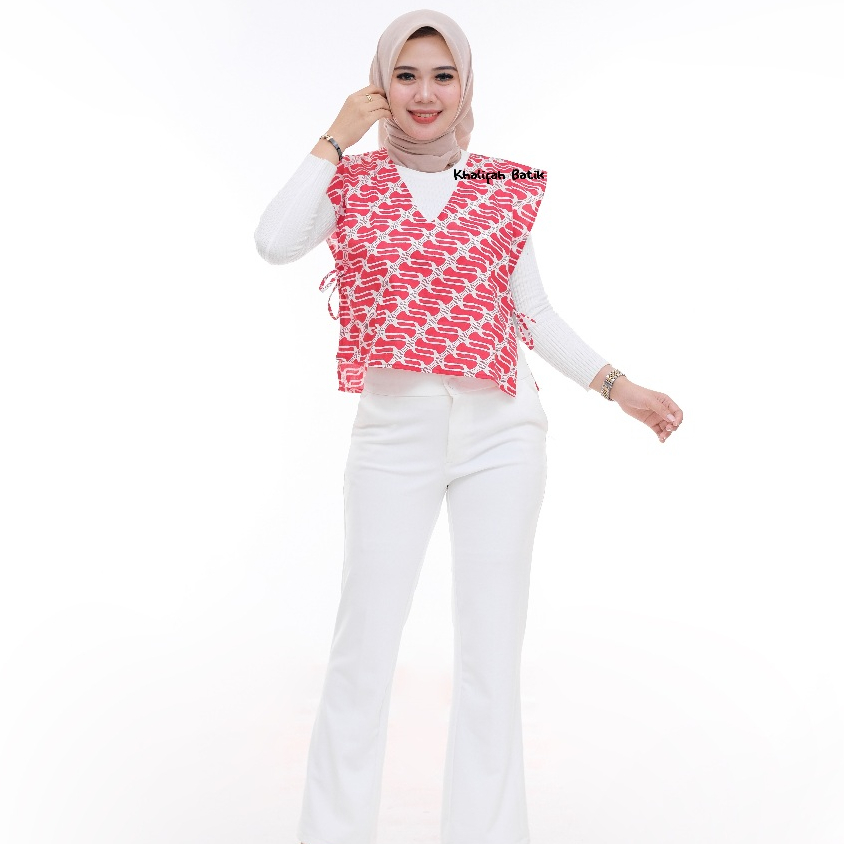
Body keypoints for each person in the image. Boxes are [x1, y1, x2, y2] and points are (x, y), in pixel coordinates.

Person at [254, 10, 683, 844]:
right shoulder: (350, 181)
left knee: (490, 658)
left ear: (466, 85)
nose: (425, 94)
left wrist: (618, 387)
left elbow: (535, 312)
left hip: (502, 436)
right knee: (363, 652)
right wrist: (335, 137)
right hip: (392, 435)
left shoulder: (499, 184)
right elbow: (273, 242)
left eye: (443, 76)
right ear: (381, 83)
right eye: (406, 75)